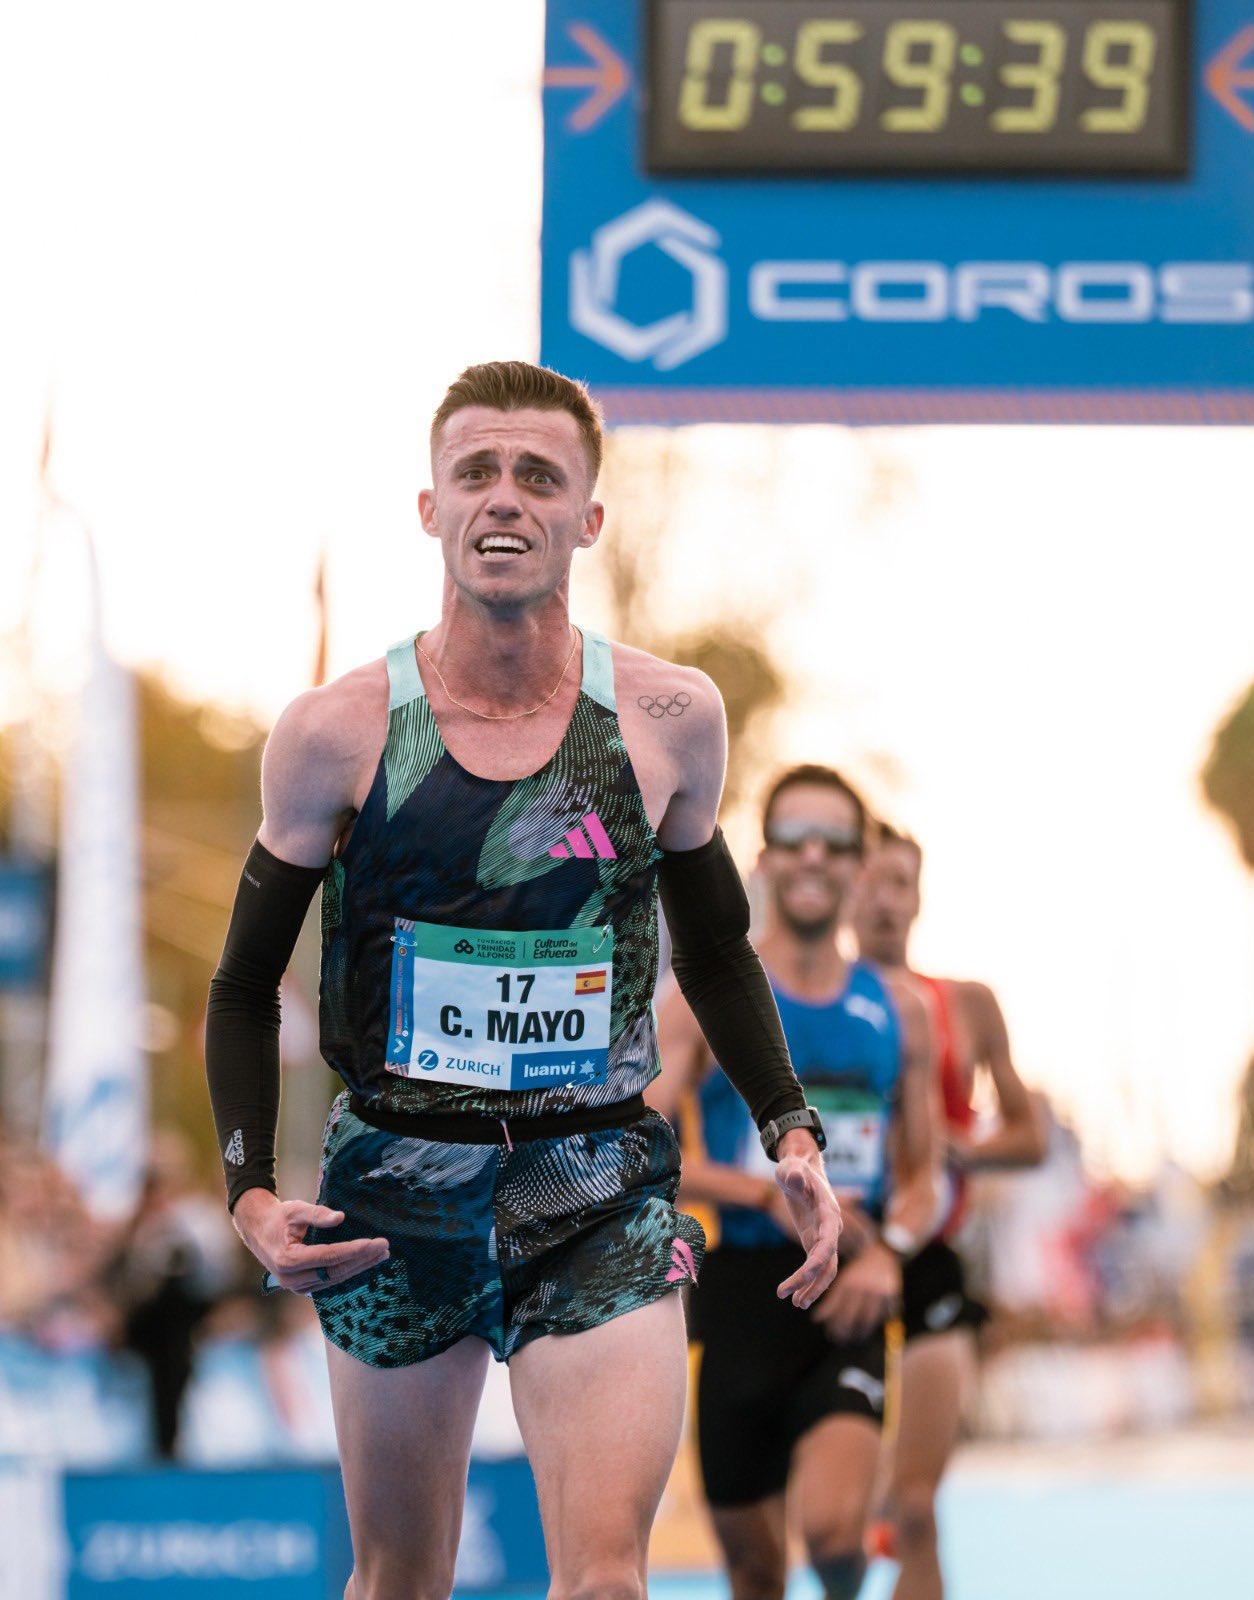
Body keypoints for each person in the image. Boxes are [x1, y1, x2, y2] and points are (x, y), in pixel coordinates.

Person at [203, 361, 842, 1600]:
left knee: (605, 1580)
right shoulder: (334, 733)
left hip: (594, 1179)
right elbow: (239, 984)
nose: (506, 499)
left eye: (539, 476)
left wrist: (790, 1128)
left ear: (587, 518)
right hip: (394, 1191)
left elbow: (716, 951)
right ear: (431, 508)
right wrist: (248, 1195)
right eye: (476, 473)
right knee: (399, 1578)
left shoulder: (665, 717)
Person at [649, 765, 941, 1600]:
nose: (814, 857)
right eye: (794, 839)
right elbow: (643, 1151)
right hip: (740, 1296)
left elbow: (923, 1177)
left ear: (860, 863)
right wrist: (761, 1191)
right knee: (754, 1571)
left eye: (836, 843)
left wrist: (891, 1257)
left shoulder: (899, 1010)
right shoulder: (697, 1001)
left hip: (851, 1291)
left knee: (836, 1536)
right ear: (765, 857)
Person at [852, 828, 1046, 1600]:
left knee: (917, 1504)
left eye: (900, 882)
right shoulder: (802, 1001)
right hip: (830, 1261)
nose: (885, 898)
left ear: (919, 898)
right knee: (841, 1518)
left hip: (928, 1259)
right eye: (871, 880)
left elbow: (1031, 1136)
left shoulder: (966, 1004)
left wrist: (958, 1150)